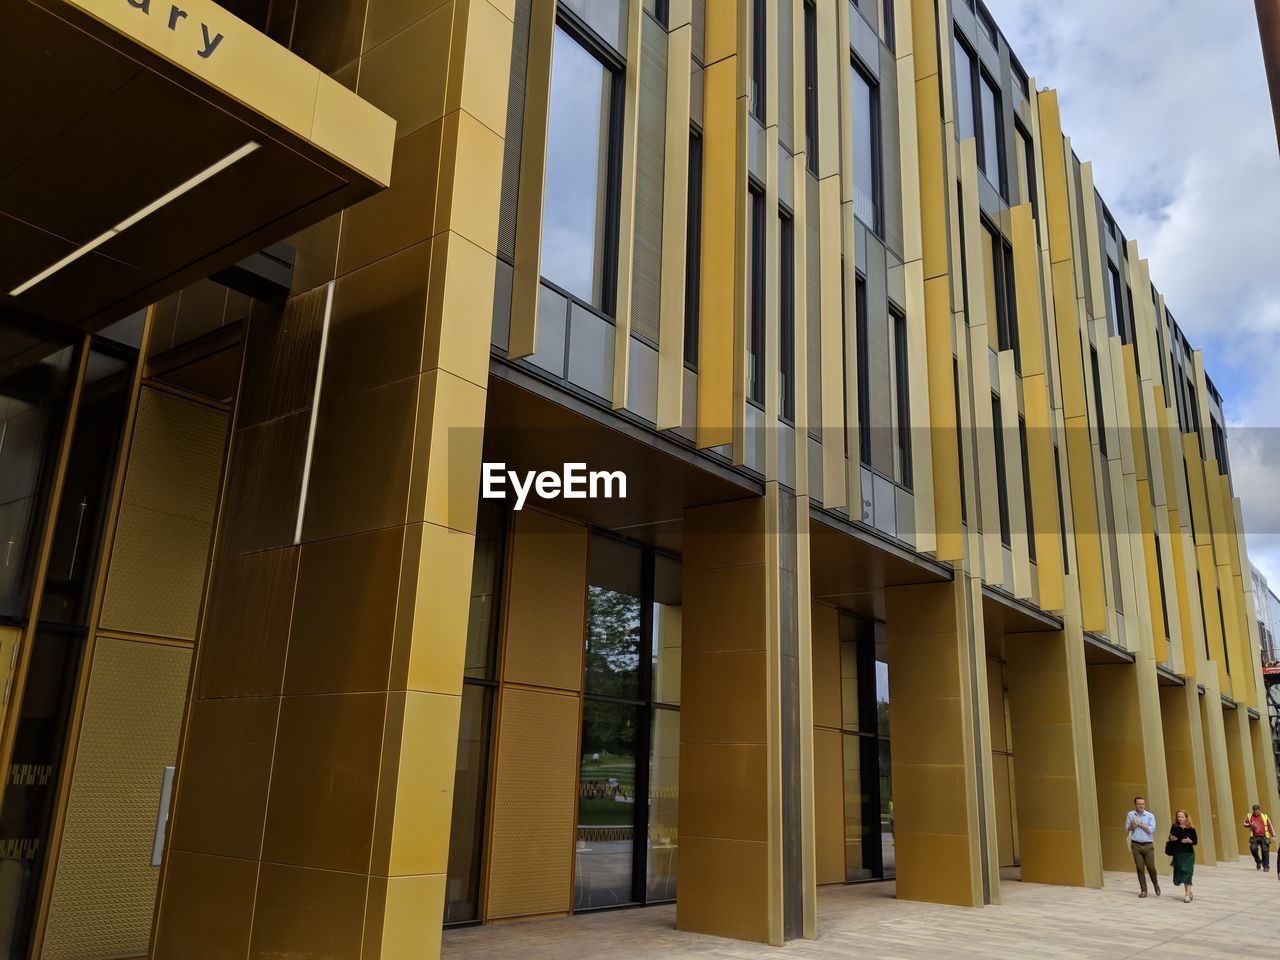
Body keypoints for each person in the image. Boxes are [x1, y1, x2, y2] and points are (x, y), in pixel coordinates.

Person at [1126, 796, 1161, 897]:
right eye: (1139, 804)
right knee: (1140, 867)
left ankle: (1156, 884)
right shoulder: (1130, 815)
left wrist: (1140, 824)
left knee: (1151, 867)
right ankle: (1144, 890)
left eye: (1142, 804)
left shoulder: (1150, 816)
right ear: (1135, 805)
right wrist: (1133, 825)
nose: (1141, 806)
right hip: (1136, 844)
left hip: (1148, 845)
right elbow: (1128, 829)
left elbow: (1151, 830)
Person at [1166, 809, 1197, 902]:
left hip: (1188, 854)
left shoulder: (1191, 829)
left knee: (1188, 873)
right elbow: (1170, 837)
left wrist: (1189, 841)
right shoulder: (1174, 827)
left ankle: (1187, 895)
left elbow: (1195, 842)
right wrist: (1171, 838)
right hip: (1178, 854)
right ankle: (1189, 891)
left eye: (1182, 817)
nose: (1180, 818)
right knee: (1181, 874)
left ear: (1186, 818)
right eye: (1178, 817)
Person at [1242, 804, 1275, 870]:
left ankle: (1266, 866)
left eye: (1257, 811)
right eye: (1255, 811)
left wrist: (1273, 835)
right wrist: (1250, 824)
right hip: (1254, 837)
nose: (1256, 813)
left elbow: (1270, 826)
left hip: (1264, 837)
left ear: (1259, 810)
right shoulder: (1249, 816)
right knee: (1253, 848)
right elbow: (1244, 824)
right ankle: (1258, 861)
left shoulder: (1265, 816)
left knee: (1265, 851)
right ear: (1253, 811)